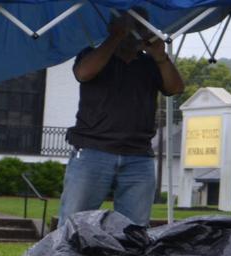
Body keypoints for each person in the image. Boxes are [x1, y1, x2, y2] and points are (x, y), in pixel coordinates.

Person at [61, 10, 185, 227]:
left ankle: (127, 252)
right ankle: (66, 252)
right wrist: (115, 37)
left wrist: (161, 57)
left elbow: (175, 88)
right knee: (74, 225)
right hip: (92, 151)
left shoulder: (151, 64)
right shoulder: (93, 55)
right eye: (131, 24)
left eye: (142, 25)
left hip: (139, 156)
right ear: (114, 26)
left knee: (135, 229)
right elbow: (83, 73)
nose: (135, 31)